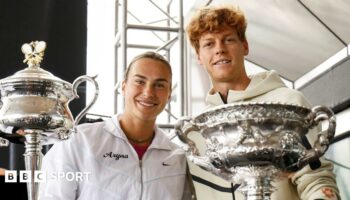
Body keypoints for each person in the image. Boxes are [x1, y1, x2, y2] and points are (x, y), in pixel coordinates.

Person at [185, 5, 340, 200]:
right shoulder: (198, 130)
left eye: (228, 39)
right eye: (209, 44)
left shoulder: (288, 104)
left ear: (245, 46)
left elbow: (316, 178)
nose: (220, 50)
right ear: (199, 56)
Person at [39, 51, 193, 200]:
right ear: (124, 86)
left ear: (169, 94)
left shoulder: (178, 159)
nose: (148, 92)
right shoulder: (79, 141)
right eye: (140, 81)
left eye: (159, 85)